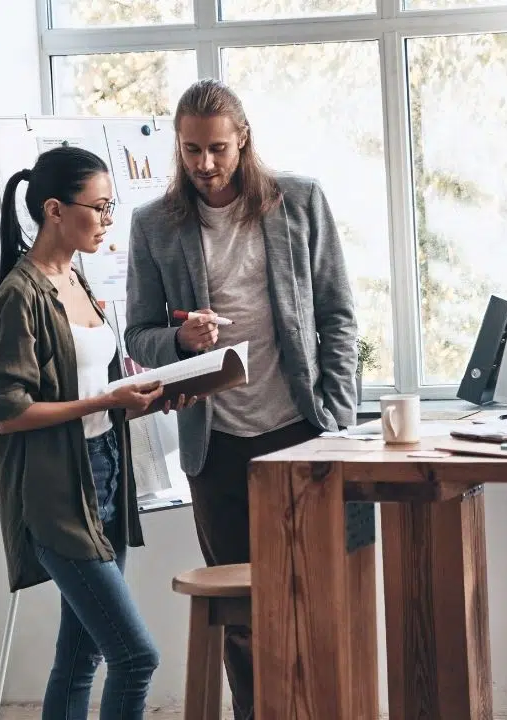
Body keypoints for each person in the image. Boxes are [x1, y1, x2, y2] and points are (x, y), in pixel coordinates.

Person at [124, 78, 358, 719]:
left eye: (218, 149)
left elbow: (337, 315)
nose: (205, 164)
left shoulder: (300, 201)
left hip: (300, 427)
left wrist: (337, 415)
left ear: (243, 139)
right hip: (216, 442)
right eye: (192, 150)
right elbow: (138, 333)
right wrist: (180, 337)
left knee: (316, 593)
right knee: (242, 612)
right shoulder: (155, 225)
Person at [0, 146, 168, 720]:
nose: (108, 221)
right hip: (58, 492)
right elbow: (7, 410)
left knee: (81, 654)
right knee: (135, 658)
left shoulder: (78, 280)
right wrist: (104, 400)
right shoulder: (21, 293)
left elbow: (93, 394)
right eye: (101, 207)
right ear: (56, 209)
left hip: (105, 470)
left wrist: (136, 401)